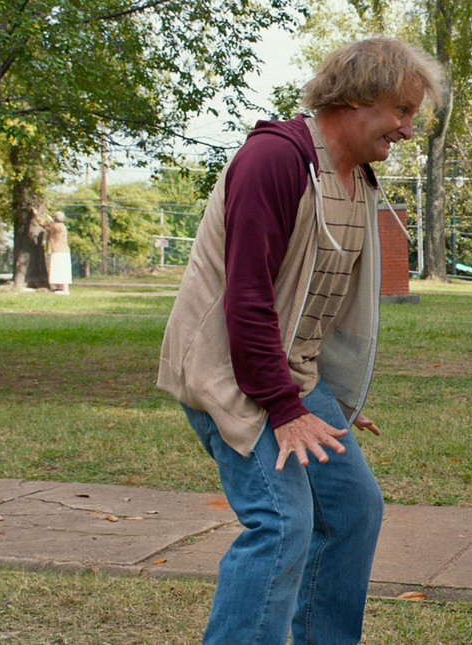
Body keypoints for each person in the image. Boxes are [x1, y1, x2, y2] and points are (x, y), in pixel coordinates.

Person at [156, 38, 443, 645]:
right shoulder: (275, 159)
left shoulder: (358, 181)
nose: (407, 129)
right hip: (229, 373)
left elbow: (319, 305)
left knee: (353, 511)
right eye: (401, 111)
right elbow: (248, 299)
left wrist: (328, 398)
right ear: (358, 97)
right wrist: (287, 410)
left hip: (292, 379)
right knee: (282, 522)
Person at [43, 212, 71, 294]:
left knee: (60, 269)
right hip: (62, 250)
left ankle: (65, 290)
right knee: (60, 269)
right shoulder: (62, 226)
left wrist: (37, 215)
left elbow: (45, 225)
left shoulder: (55, 226)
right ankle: (60, 288)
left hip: (58, 250)